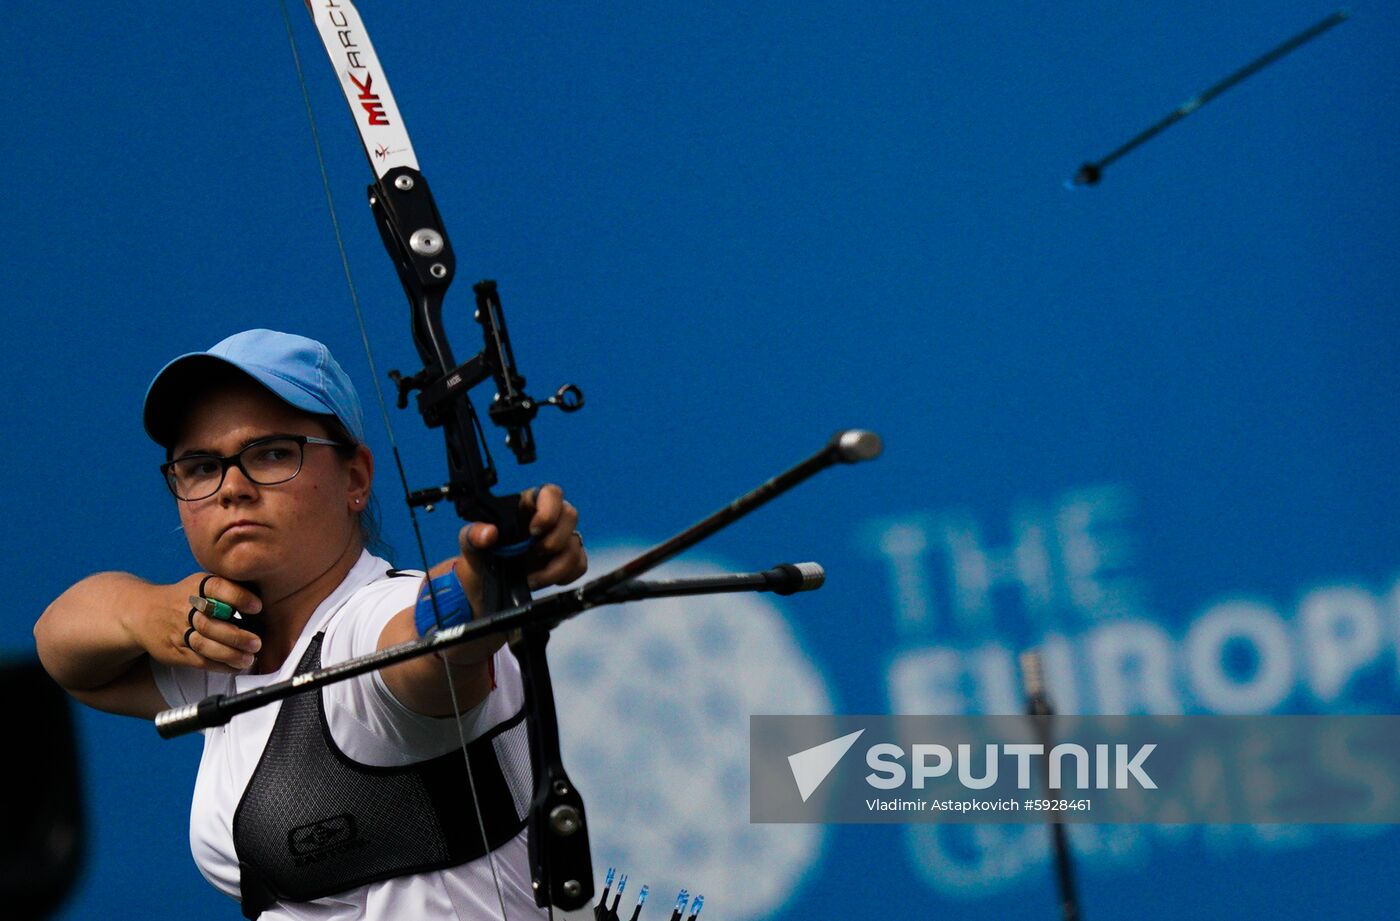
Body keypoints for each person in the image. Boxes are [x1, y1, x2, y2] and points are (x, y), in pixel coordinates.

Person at [34, 329, 586, 919]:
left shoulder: (370, 620)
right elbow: (62, 648)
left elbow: (432, 641)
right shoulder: (223, 650)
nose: (233, 489)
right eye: (200, 467)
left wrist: (491, 573)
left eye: (272, 453)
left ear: (355, 479)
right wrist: (145, 612)